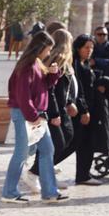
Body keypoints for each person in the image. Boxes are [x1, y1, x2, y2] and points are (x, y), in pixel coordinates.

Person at [1, 31, 66, 204]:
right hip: (27, 115)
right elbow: (23, 95)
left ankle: (50, 192)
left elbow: (43, 87)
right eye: (48, 49)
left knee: (47, 149)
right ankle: (9, 193)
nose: (49, 52)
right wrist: (32, 116)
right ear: (41, 47)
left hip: (34, 115)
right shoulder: (27, 66)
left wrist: (53, 74)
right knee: (21, 154)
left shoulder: (36, 64)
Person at [29, 30, 76, 191]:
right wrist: (55, 113)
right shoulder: (58, 60)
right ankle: (36, 173)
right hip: (52, 109)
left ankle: (44, 175)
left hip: (60, 107)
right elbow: (52, 89)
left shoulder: (60, 60)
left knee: (61, 141)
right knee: (57, 143)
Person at [67, 34, 104, 186]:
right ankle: (41, 170)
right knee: (72, 143)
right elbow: (78, 91)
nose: (89, 50)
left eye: (92, 47)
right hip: (80, 112)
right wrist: (83, 110)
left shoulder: (86, 64)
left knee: (87, 144)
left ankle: (83, 174)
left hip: (91, 110)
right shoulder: (75, 65)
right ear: (78, 48)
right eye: (86, 47)